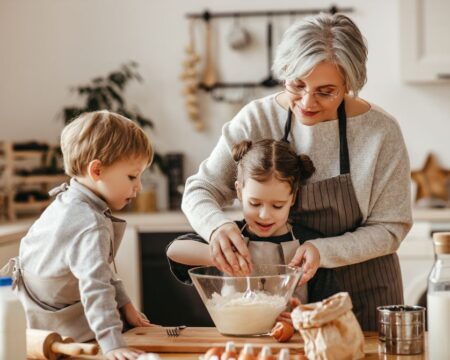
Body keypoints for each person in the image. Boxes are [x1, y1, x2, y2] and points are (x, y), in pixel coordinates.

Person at [181, 13, 412, 331]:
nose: (307, 102)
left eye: (326, 91)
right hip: (282, 301)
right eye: (297, 85)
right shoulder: (257, 117)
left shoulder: (380, 132)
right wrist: (216, 227)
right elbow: (199, 189)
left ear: (350, 83)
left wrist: (323, 250)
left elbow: (390, 227)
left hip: (364, 291)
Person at [1, 111, 152, 360]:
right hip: (49, 326)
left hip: (36, 314)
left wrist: (125, 305)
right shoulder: (89, 223)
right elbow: (96, 286)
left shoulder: (70, 200)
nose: (139, 187)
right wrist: (113, 344)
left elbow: (102, 269)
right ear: (97, 170)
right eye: (132, 176)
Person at [167, 139, 340, 304]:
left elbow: (327, 306)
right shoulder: (231, 236)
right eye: (255, 203)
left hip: (295, 334)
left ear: (293, 198)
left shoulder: (308, 244)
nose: (264, 215)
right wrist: (222, 257)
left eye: (278, 206)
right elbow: (174, 251)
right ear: (239, 192)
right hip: (236, 333)